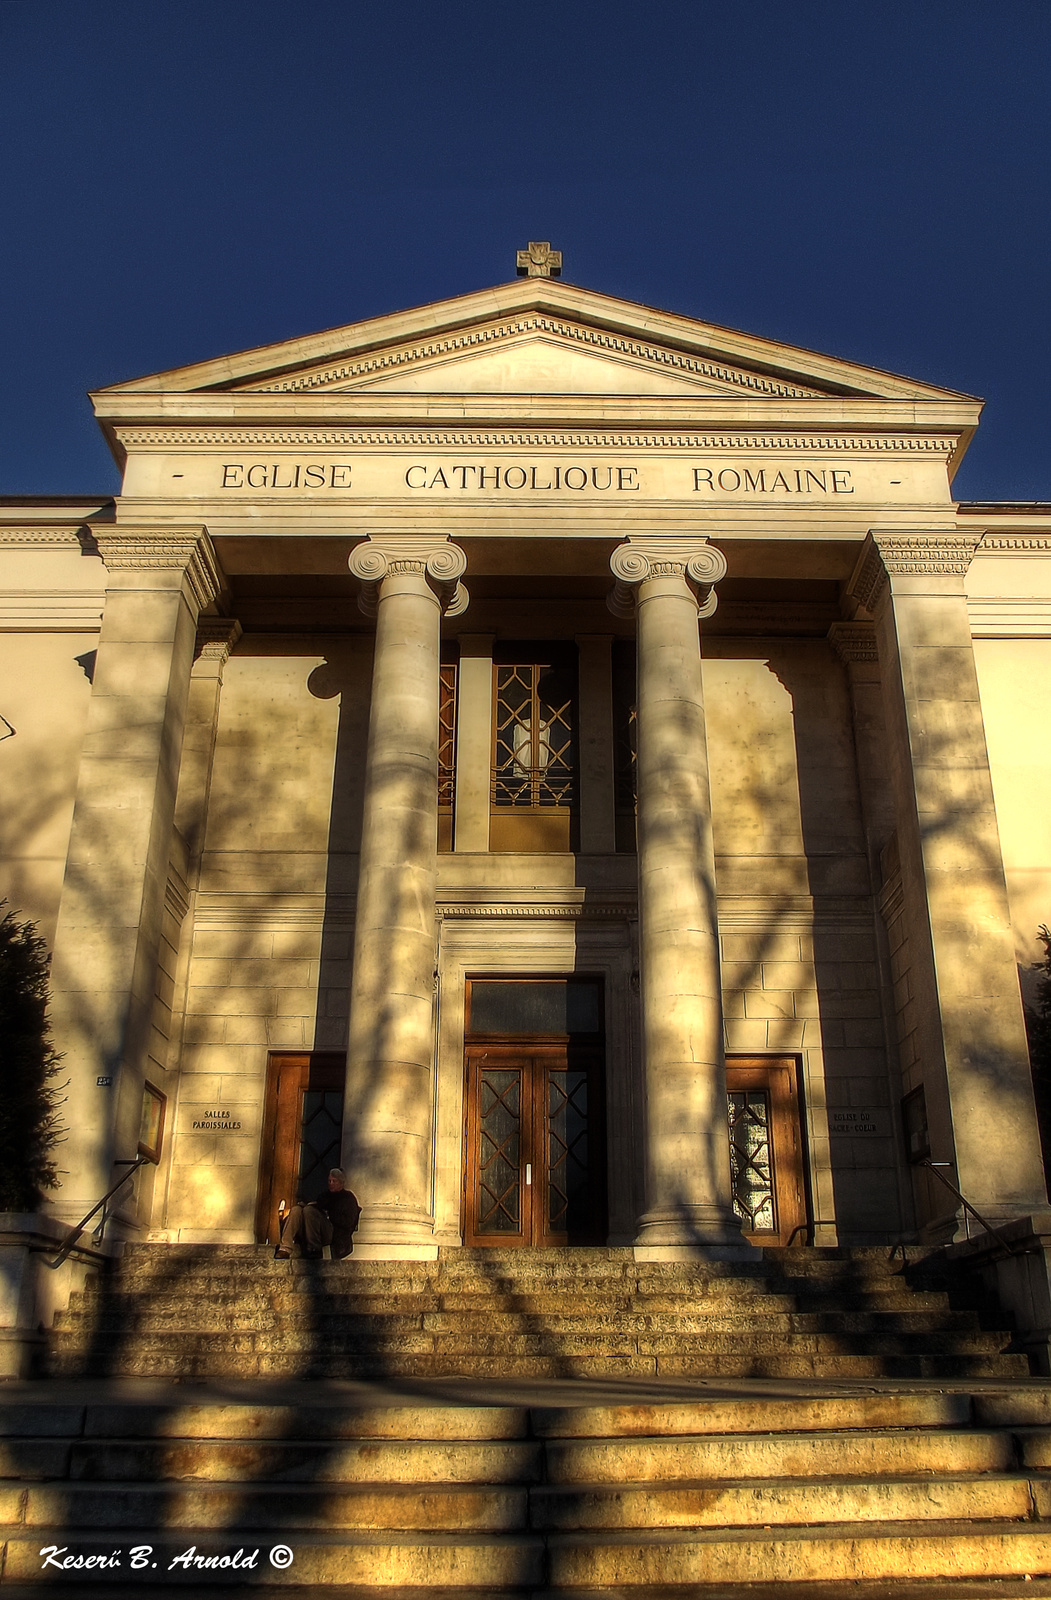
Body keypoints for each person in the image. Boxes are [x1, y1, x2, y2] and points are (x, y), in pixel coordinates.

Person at [274, 1168, 361, 1260]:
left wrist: (329, 1212)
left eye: (334, 1181)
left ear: (341, 1183)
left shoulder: (348, 1198)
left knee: (309, 1211)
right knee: (296, 1210)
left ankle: (314, 1248)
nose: (331, 1183)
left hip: (334, 1232)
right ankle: (285, 1248)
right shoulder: (324, 1196)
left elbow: (348, 1223)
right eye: (329, 1181)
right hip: (312, 1228)